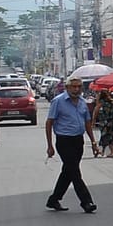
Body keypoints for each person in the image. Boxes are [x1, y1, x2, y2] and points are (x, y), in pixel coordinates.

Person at [43, 76, 97, 213]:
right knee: (74, 172)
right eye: (73, 86)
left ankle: (54, 199)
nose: (76, 89)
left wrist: (94, 142)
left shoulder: (83, 103)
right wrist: (50, 146)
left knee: (68, 172)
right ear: (67, 88)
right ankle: (86, 202)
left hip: (78, 141)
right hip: (64, 141)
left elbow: (87, 123)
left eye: (79, 86)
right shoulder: (58, 101)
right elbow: (49, 123)